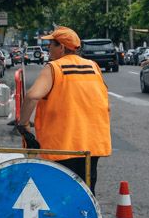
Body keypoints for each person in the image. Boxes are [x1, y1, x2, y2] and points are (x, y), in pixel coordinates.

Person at [15, 26, 111, 190]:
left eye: (52, 44)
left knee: (62, 192)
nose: (48, 48)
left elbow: (32, 96)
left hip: (63, 144)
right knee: (86, 190)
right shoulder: (93, 67)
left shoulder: (54, 67)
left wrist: (23, 124)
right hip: (92, 143)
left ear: (62, 47)